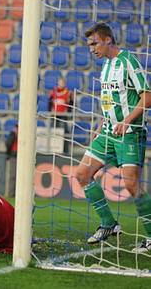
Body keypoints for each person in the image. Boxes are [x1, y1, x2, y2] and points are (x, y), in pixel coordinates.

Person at [76, 23, 151, 252]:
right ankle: (109, 224)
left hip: (130, 132)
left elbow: (147, 96)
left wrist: (127, 120)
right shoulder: (106, 66)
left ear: (108, 39)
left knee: (130, 184)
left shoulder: (128, 61)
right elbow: (110, 103)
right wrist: (100, 125)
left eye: (94, 43)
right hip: (108, 131)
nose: (92, 49)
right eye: (89, 45)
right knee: (82, 174)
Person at [49, 77, 72, 152]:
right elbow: (49, 102)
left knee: (64, 133)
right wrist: (50, 112)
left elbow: (71, 104)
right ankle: (52, 149)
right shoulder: (53, 91)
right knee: (53, 132)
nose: (61, 84)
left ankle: (65, 150)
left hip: (63, 116)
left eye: (62, 83)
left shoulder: (67, 92)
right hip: (54, 115)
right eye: (60, 82)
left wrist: (68, 113)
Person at [4, 123, 18, 197]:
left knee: (18, 176)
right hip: (14, 156)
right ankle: (10, 193)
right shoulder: (12, 135)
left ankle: (16, 193)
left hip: (19, 157)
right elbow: (8, 143)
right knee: (12, 176)